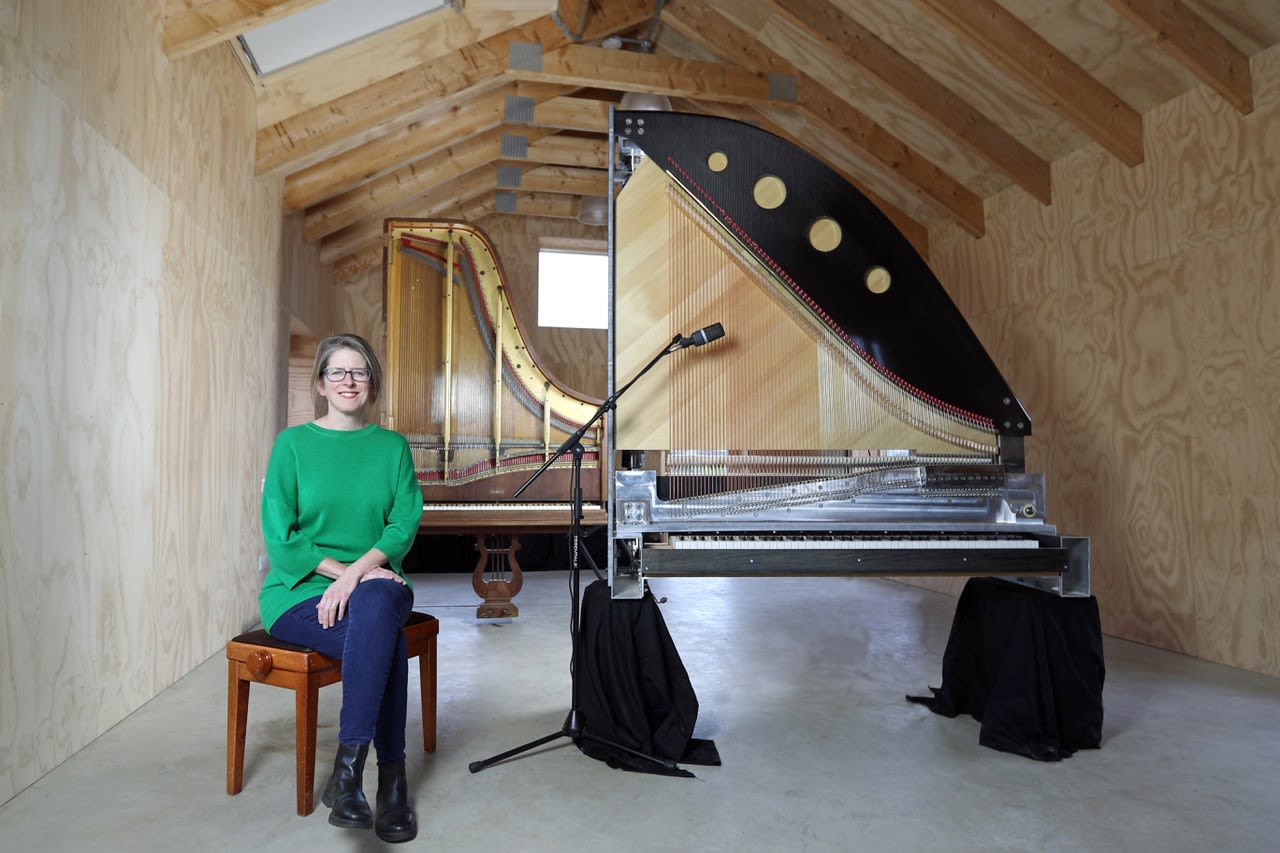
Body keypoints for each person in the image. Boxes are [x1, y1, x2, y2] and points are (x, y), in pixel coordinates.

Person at [259, 333, 424, 843]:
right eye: (338, 372)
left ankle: (348, 776)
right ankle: (388, 784)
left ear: (372, 382)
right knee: (386, 641)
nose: (348, 381)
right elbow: (281, 536)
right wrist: (340, 574)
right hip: (297, 592)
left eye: (359, 372)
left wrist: (355, 575)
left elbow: (402, 525)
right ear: (321, 384)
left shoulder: (392, 447)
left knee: (375, 603)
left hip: (379, 579)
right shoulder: (292, 444)